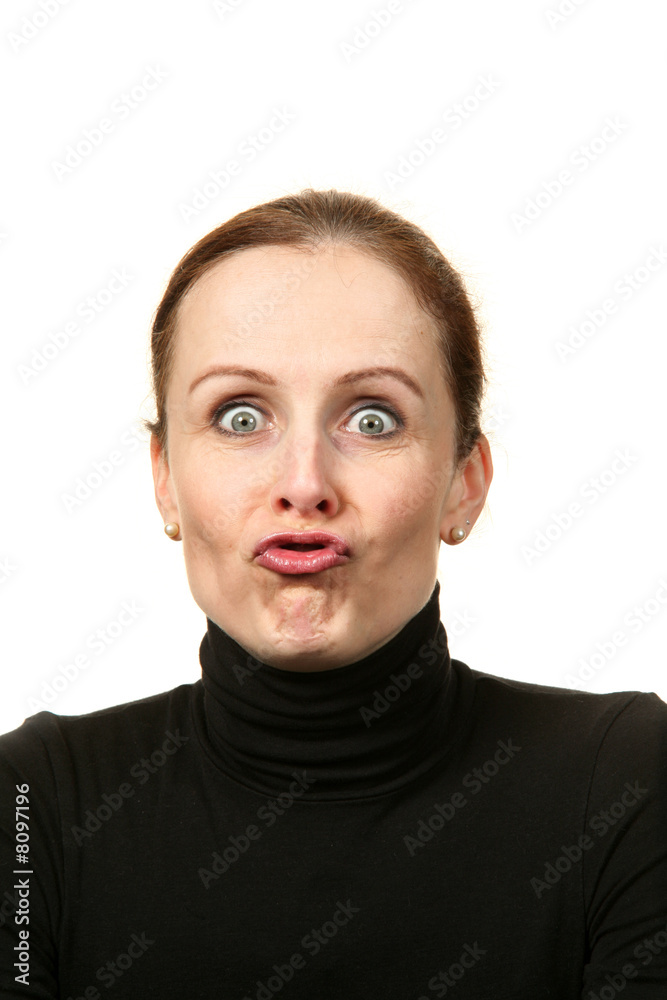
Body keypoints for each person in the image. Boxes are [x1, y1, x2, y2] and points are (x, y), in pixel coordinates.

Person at [0, 188, 665, 999]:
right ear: (165, 478)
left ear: (465, 481)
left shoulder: (625, 780)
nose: (304, 483)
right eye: (240, 417)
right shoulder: (31, 800)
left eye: (373, 419)